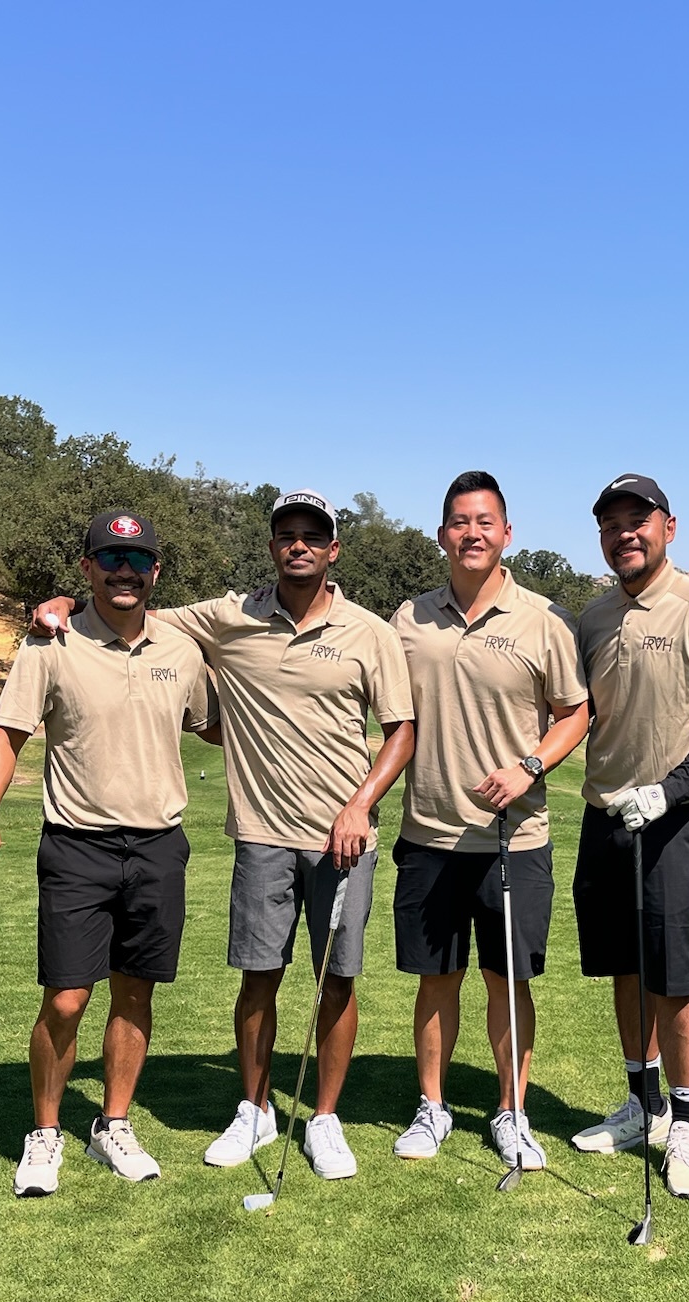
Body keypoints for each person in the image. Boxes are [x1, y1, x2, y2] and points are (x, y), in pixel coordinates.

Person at [30, 491, 414, 1181]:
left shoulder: (369, 631)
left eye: (313, 535)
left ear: (333, 550)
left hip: (343, 835)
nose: (299, 545)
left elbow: (401, 731)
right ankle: (255, 1109)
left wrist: (361, 805)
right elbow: (128, 609)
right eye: (286, 534)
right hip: (262, 832)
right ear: (272, 547)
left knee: (337, 981)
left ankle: (324, 1118)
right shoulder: (230, 616)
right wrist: (63, 603)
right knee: (259, 980)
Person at [0, 510, 219, 1192]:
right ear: (87, 568)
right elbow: (7, 737)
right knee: (67, 999)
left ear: (155, 570)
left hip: (159, 845)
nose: (124, 572)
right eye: (110, 559)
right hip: (77, 847)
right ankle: (45, 1133)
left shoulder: (181, 650)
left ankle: (113, 1124)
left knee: (135, 994)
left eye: (137, 561)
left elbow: (211, 725)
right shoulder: (51, 643)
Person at [387, 470, 589, 1172]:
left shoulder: (544, 619)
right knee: (436, 979)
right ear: (442, 534)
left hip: (515, 839)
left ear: (506, 533)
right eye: (459, 522)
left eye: (484, 522)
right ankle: (432, 1107)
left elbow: (575, 713)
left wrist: (530, 766)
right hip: (429, 834)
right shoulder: (409, 620)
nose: (471, 533)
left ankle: (512, 1112)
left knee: (509, 981)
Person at [568, 474, 689, 1199]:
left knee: (673, 977)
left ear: (668, 528)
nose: (625, 533)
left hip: (671, 823)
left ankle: (686, 1127)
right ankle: (642, 1106)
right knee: (626, 968)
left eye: (637, 520)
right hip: (605, 816)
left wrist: (668, 790)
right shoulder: (593, 617)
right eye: (611, 523)